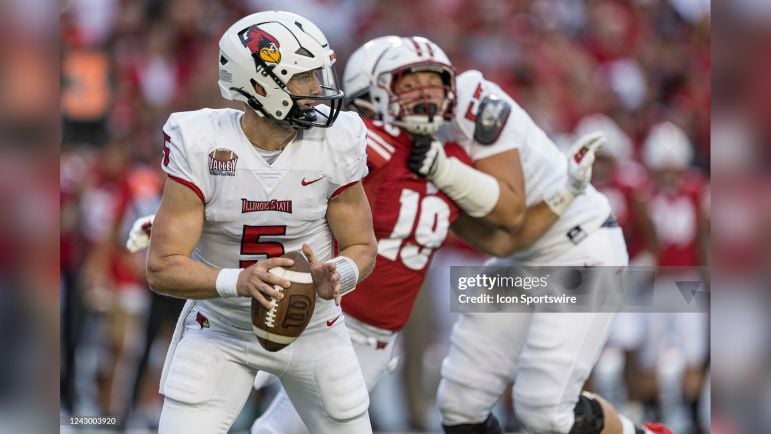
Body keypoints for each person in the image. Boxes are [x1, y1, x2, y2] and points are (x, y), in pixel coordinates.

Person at [409, 55, 671, 434]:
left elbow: (512, 216)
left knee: (544, 409)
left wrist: (442, 172)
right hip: (519, 256)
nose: (416, 97)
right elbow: (500, 243)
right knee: (459, 403)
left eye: (419, 84)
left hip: (578, 248)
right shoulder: (407, 152)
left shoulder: (474, 100)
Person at [144, 11, 377, 434]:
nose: (317, 89)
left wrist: (339, 273)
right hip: (222, 329)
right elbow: (162, 267)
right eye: (303, 77)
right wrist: (240, 281)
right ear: (258, 85)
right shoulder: (201, 142)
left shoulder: (337, 139)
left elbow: (363, 246)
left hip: (316, 328)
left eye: (318, 74)